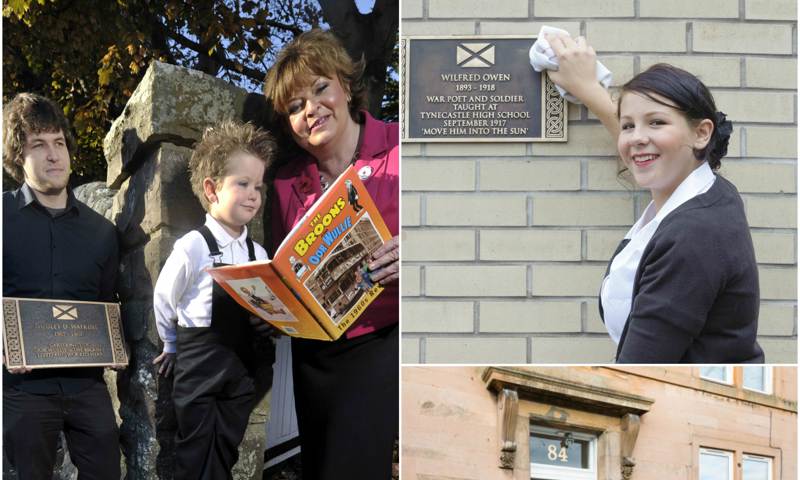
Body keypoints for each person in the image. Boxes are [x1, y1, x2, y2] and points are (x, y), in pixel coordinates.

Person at [544, 33, 763, 363]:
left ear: (702, 133)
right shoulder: (706, 191)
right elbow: (650, 146)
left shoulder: (694, 233)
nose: (636, 139)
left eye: (657, 122)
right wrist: (589, 90)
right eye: (628, 125)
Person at [263, 28, 399, 479]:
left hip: (385, 339)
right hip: (315, 354)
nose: (311, 110)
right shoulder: (283, 183)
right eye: (295, 107)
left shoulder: (404, 148)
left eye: (320, 89)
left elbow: (467, 239)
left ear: (344, 85)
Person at [2, 93, 121, 479]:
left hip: (87, 388)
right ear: (19, 157)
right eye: (39, 145)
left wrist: (115, 344)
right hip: (21, 391)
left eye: (58, 143)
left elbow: (107, 303)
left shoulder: (103, 233)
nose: (54, 155)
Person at [152, 121, 277, 479]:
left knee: (226, 446)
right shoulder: (194, 246)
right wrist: (171, 343)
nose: (254, 194)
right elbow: (164, 297)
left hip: (243, 368)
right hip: (200, 366)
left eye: (258, 186)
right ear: (212, 189)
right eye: (243, 184)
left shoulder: (259, 253)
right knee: (194, 450)